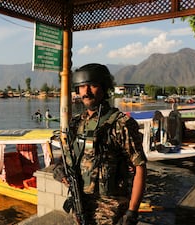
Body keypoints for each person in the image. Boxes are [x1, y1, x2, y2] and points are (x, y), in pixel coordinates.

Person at [53, 63, 147, 225]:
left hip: (111, 206)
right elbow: (66, 160)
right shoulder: (75, 124)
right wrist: (60, 170)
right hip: (80, 203)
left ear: (104, 88)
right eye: (82, 87)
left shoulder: (122, 124)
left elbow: (140, 167)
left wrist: (132, 212)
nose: (86, 92)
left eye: (93, 86)